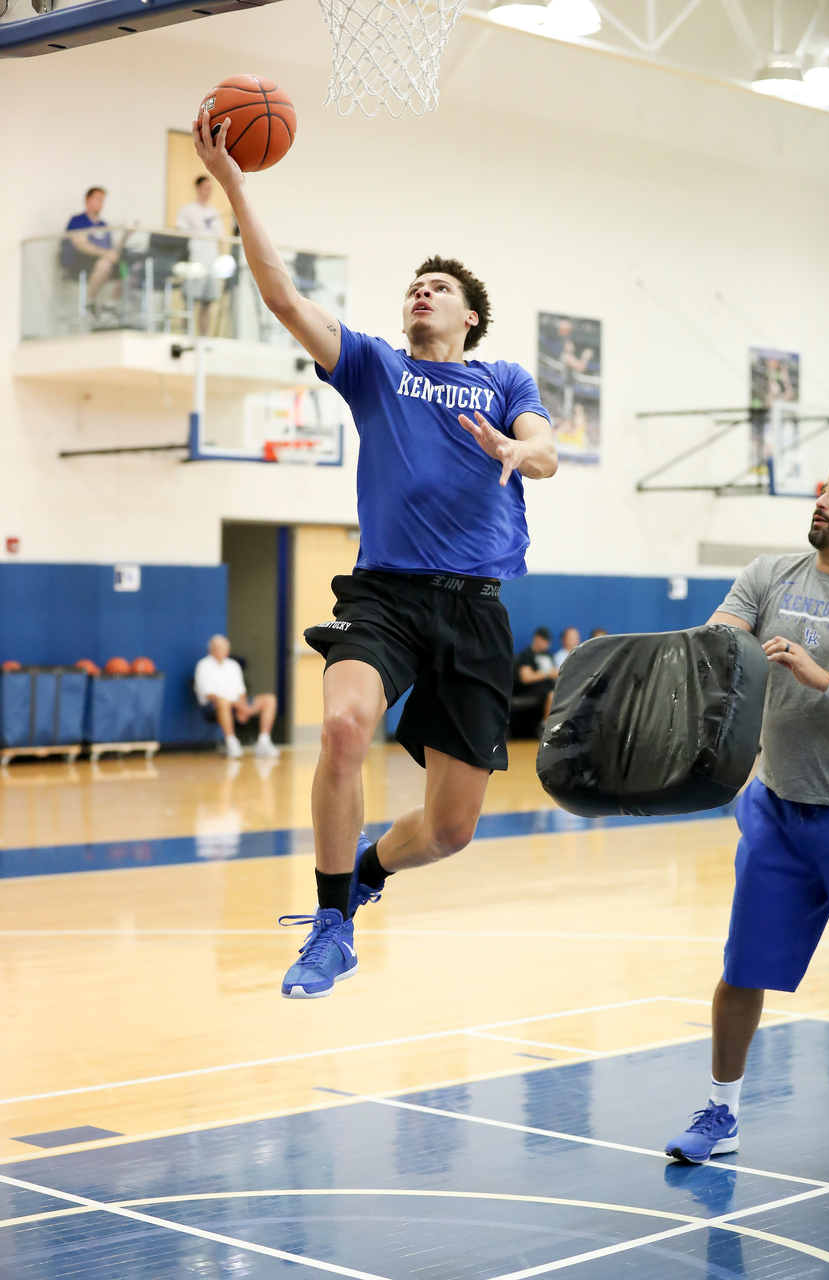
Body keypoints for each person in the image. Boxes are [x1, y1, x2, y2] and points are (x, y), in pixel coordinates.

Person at [193, 110, 558, 999]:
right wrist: (235, 184)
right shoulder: (373, 367)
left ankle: (366, 871)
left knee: (450, 830)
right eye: (414, 285)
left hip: (474, 607)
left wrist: (518, 452)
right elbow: (283, 297)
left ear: (470, 316)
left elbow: (546, 450)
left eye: (439, 286)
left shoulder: (502, 379)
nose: (421, 293)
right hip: (385, 595)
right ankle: (332, 926)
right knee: (343, 727)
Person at [665, 464, 829, 1164]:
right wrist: (710, 648)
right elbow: (718, 640)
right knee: (741, 969)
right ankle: (722, 1114)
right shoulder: (770, 574)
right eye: (821, 491)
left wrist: (823, 680)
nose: (820, 501)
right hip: (775, 806)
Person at [194, 635, 280, 760]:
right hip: (213, 706)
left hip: (237, 703)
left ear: (227, 650)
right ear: (210, 650)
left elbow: (241, 691)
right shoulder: (203, 665)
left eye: (222, 648)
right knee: (223, 702)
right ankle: (231, 743)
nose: (219, 650)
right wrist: (239, 707)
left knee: (269, 699)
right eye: (216, 647)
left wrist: (243, 706)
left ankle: (264, 741)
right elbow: (210, 694)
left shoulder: (233, 665)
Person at [176, 176, 225, 336]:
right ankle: (186, 334)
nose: (207, 191)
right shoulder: (187, 210)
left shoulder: (215, 213)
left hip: (211, 261)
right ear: (197, 188)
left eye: (210, 188)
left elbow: (219, 239)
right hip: (195, 259)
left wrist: (220, 261)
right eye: (205, 187)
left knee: (207, 302)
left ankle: (204, 337)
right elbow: (180, 234)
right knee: (191, 300)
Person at [62, 187, 119, 310]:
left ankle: (110, 306)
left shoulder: (104, 225)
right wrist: (104, 254)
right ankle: (89, 302)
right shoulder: (77, 221)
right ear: (88, 200)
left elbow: (110, 248)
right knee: (104, 264)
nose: (100, 203)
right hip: (82, 261)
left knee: (124, 268)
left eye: (102, 200)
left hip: (103, 262)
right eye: (97, 199)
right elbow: (80, 244)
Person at [513, 627, 559, 722]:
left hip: (550, 687)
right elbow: (525, 678)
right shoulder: (527, 654)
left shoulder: (549, 655)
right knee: (552, 695)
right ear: (537, 638)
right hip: (531, 690)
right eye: (544, 640)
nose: (547, 644)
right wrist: (547, 674)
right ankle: (546, 726)